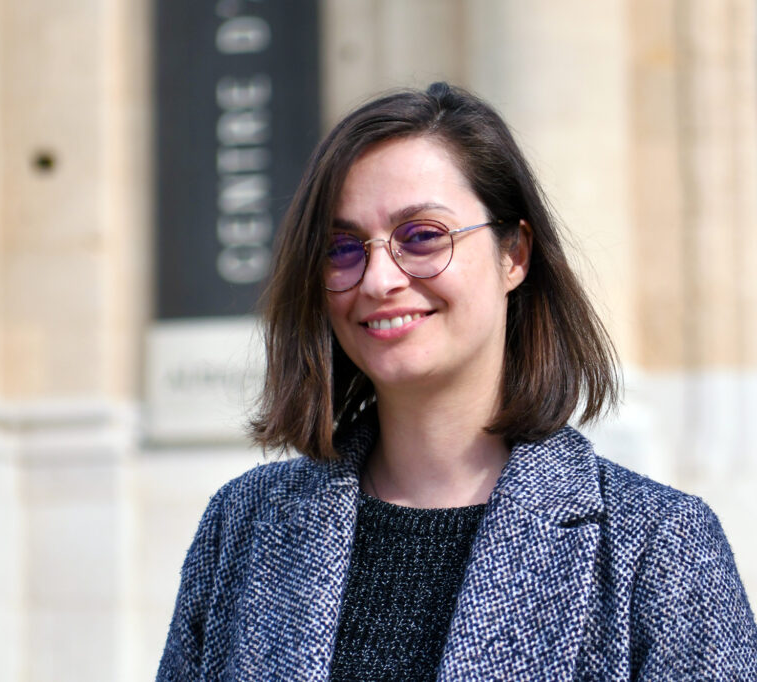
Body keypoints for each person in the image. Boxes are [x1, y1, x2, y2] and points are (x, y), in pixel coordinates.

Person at [156, 82, 757, 680]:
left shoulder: (658, 547)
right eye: (343, 248)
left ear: (513, 254)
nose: (378, 279)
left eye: (421, 236)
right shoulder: (242, 525)